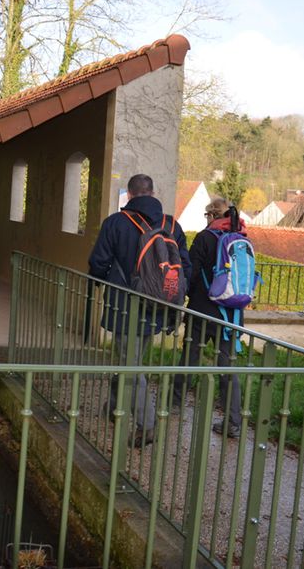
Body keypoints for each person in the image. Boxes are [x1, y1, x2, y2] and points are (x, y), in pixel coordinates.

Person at [88, 174, 191, 445]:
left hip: (125, 306)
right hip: (159, 307)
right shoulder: (172, 225)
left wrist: (102, 284)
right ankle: (113, 406)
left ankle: (147, 425)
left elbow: (98, 263)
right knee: (129, 358)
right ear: (153, 192)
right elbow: (185, 267)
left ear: (130, 195)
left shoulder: (115, 223)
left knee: (129, 364)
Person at [172, 196, 245, 438]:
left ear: (212, 216)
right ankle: (233, 421)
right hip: (231, 314)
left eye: (207, 216)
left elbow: (191, 274)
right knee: (227, 365)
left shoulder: (204, 238)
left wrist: (187, 299)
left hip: (203, 311)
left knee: (191, 357)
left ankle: (175, 403)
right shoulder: (242, 237)